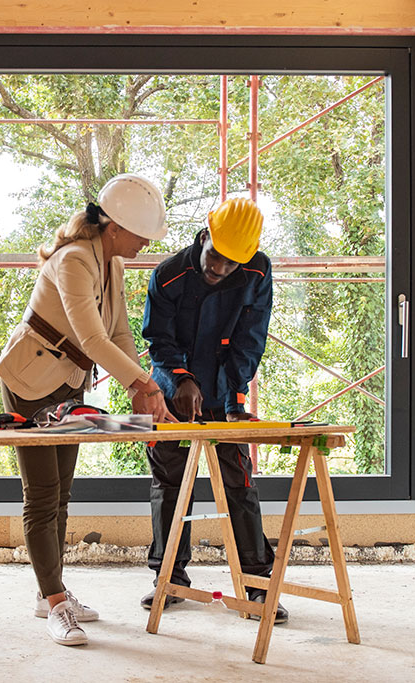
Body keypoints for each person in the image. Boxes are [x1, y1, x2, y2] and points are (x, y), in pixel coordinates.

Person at [0, 174, 174, 646]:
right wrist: (145, 384)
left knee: (61, 493)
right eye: (141, 235)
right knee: (42, 493)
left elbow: (116, 336)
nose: (145, 244)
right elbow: (92, 339)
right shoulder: (74, 260)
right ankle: (55, 604)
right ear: (114, 226)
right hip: (30, 382)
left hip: (66, 385)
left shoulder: (110, 262)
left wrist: (142, 388)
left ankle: (49, 592)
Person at [139, 197, 288, 623]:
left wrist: (235, 399)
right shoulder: (168, 276)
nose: (220, 269)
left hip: (224, 395)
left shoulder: (257, 271)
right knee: (170, 486)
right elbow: (159, 342)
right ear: (205, 235)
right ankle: (169, 579)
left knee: (238, 485)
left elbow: (250, 339)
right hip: (172, 395)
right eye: (215, 258)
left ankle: (259, 587)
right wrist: (182, 380)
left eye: (231, 264)